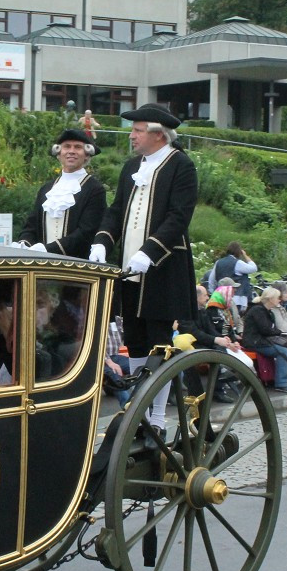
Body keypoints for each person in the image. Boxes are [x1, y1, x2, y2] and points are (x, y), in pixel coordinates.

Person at [89, 103, 197, 437]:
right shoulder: (131, 167)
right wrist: (103, 241)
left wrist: (149, 252)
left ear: (157, 134)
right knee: (135, 341)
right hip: (130, 269)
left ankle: (158, 417)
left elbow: (179, 217)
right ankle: (140, 406)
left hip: (162, 269)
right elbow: (116, 209)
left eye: (137, 130)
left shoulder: (181, 165)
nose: (131, 136)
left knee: (158, 341)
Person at [16, 129, 106, 258]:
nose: (71, 151)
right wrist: (24, 244)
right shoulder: (47, 189)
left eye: (78, 147)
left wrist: (49, 249)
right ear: (59, 153)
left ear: (87, 154)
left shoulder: (94, 189)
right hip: (43, 265)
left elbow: (87, 232)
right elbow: (31, 226)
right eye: (67, 146)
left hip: (77, 265)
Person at [241, 288, 287, 393]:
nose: (279, 300)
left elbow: (269, 329)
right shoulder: (258, 310)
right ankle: (281, 383)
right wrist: (279, 332)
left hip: (264, 340)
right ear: (271, 299)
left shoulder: (267, 311)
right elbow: (265, 329)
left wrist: (277, 332)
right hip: (255, 342)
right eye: (277, 298)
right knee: (283, 351)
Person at [211, 241, 257, 312]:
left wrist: (213, 293)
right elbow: (253, 268)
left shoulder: (218, 262)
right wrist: (245, 255)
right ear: (239, 251)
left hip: (221, 298)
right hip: (237, 299)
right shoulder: (238, 263)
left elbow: (212, 280)